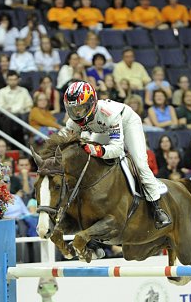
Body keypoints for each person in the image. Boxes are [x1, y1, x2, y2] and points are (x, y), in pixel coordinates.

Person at [62, 81, 171, 228]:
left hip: (127, 123)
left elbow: (117, 149)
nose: (78, 114)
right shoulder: (73, 121)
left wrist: (95, 150)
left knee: (140, 163)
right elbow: (64, 142)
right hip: (102, 129)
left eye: (81, 108)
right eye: (73, 110)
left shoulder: (109, 114)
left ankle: (157, 208)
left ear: (91, 103)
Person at [0, 71, 34, 143]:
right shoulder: (1, 92)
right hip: (8, 117)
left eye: (15, 79)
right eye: (10, 80)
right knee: (9, 118)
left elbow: (29, 105)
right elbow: (0, 108)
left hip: (23, 115)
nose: (13, 82)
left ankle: (24, 143)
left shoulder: (24, 91)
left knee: (25, 116)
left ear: (18, 80)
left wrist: (22, 110)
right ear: (7, 80)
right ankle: (10, 143)